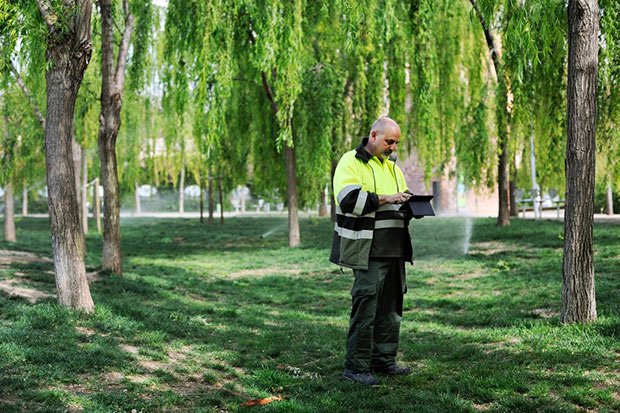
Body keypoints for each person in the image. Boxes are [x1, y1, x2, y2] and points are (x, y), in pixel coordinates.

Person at [329, 116, 413, 386]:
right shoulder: (350, 162)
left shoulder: (392, 168)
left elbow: (403, 198)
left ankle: (384, 361)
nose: (393, 147)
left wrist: (413, 205)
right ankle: (356, 368)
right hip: (367, 251)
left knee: (391, 311)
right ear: (374, 136)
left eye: (397, 143)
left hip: (395, 251)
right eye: (390, 141)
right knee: (365, 310)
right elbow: (349, 199)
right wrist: (388, 198)